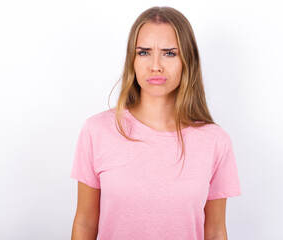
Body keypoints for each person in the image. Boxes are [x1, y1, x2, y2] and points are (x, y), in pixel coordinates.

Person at [70, 6, 242, 240]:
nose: (155, 65)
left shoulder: (215, 141)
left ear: (187, 60)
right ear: (132, 58)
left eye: (169, 53)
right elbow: (85, 223)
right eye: (144, 52)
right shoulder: (97, 131)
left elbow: (214, 230)